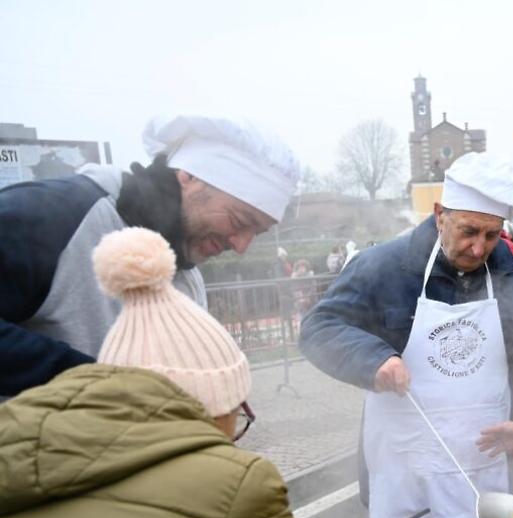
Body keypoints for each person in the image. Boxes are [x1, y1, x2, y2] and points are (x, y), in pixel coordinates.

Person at [0, 227, 386, 518]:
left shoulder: (18, 450)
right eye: (237, 415)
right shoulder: (226, 488)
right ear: (210, 406)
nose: (236, 436)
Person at [298, 151, 513, 518]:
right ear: (440, 216)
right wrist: (374, 359)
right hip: (407, 462)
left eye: (492, 235)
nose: (479, 248)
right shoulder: (383, 267)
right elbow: (318, 328)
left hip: (485, 461)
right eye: (468, 231)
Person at [0, 114, 299, 398]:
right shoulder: (54, 213)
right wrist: (103, 385)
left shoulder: (186, 269)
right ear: (190, 176)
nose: (241, 245)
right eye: (239, 221)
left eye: (255, 233)